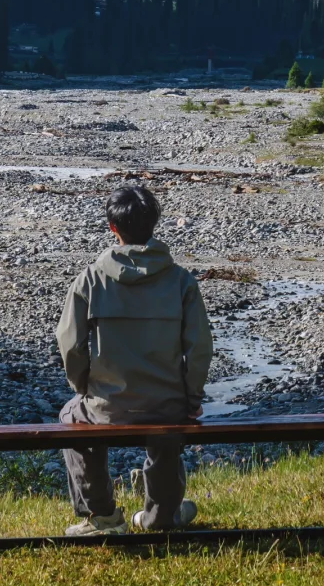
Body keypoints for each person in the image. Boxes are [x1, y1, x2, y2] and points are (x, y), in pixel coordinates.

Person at [55, 183, 213, 536]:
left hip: (107, 406)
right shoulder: (180, 281)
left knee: (71, 418)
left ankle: (103, 516)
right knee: (170, 425)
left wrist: (83, 387)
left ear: (113, 228)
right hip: (167, 404)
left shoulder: (91, 280)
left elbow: (70, 345)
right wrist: (192, 398)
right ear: (153, 224)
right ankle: (161, 515)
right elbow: (200, 348)